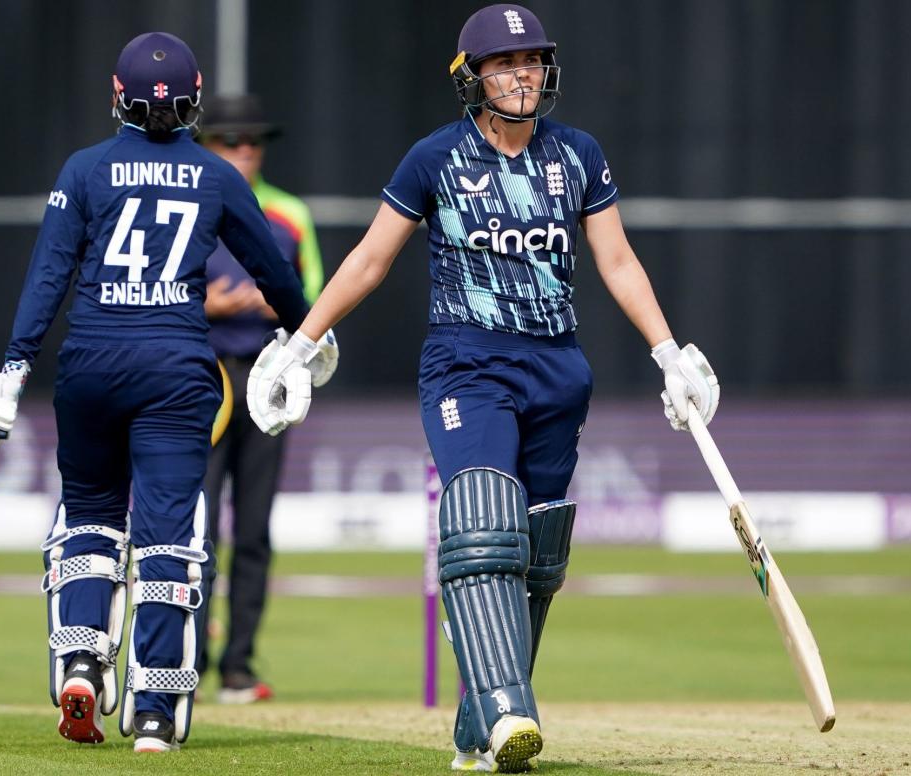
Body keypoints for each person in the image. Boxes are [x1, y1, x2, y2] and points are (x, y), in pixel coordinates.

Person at [246, 4, 719, 772]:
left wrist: (670, 352)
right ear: (472, 78)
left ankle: (478, 727)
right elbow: (370, 259)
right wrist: (300, 346)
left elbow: (618, 260)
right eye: (504, 62)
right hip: (468, 362)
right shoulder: (434, 159)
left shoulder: (578, 155)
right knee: (483, 520)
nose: (521, 74)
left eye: (531, 60)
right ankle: (508, 708)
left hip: (559, 367)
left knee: (537, 552)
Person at [0, 31, 334, 753]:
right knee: (169, 534)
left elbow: (49, 277)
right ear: (193, 99)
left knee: (91, 520)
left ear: (117, 94)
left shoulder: (84, 169)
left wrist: (12, 366)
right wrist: (308, 341)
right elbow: (274, 273)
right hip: (174, 372)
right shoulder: (218, 175)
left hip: (91, 367)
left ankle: (78, 660)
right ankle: (157, 709)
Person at [197, 93, 325, 703]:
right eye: (230, 141)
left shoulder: (290, 214)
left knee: (253, 528)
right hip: (201, 377)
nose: (244, 152)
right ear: (205, 145)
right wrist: (211, 307)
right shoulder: (188, 200)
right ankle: (183, 661)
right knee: (193, 526)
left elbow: (318, 298)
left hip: (268, 377)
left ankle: (238, 667)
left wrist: (277, 304)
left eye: (253, 142)